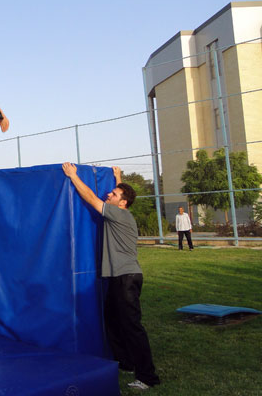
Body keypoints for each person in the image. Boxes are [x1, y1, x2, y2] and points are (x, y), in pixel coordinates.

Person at [62, 163, 160, 390]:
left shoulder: (118, 214)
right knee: (113, 322)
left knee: (132, 326)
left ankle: (147, 376)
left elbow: (91, 198)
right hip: (119, 277)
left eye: (113, 194)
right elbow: (121, 195)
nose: (109, 194)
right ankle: (126, 362)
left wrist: (73, 176)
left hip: (126, 277)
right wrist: (118, 178)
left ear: (122, 203)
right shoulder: (121, 210)